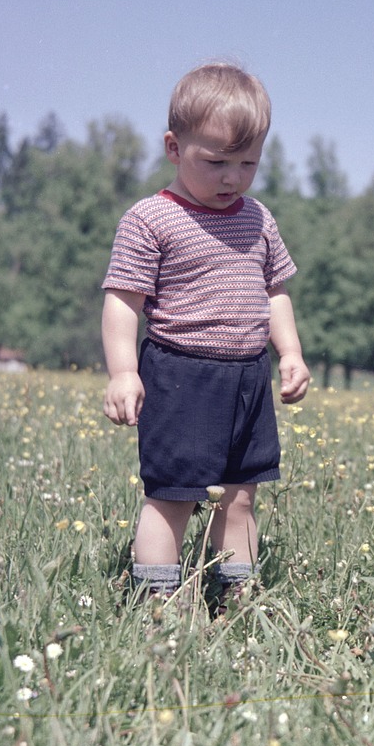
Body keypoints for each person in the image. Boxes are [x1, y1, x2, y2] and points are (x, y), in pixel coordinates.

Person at [101, 63, 310, 604]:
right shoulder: (150, 219)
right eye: (215, 162)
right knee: (172, 496)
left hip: (247, 377)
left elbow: (275, 291)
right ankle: (158, 603)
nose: (232, 178)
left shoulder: (258, 218)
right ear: (174, 147)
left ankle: (236, 595)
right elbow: (123, 302)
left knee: (240, 497)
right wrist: (124, 372)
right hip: (180, 375)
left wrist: (289, 352)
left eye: (248, 163)